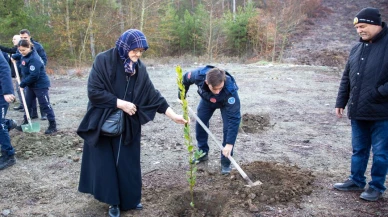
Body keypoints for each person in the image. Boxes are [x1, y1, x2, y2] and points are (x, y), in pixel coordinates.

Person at [76, 29, 187, 217]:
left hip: (128, 124)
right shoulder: (104, 60)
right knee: (107, 164)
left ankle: (130, 200)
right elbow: (94, 91)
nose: (137, 54)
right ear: (125, 46)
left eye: (141, 51)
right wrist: (121, 104)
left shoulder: (139, 69)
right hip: (104, 121)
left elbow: (153, 95)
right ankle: (113, 203)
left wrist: (172, 115)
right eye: (134, 50)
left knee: (128, 163)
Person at [333, 7, 388, 202]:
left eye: (363, 26)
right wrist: (341, 101)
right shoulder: (356, 48)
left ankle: (376, 186)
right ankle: (356, 180)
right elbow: (346, 77)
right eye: (357, 28)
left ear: (375, 24)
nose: (359, 31)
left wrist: (378, 93)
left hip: (382, 112)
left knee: (381, 153)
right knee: (359, 149)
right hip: (358, 110)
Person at [180, 65, 241, 175]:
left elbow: (234, 119)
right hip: (207, 101)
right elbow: (184, 79)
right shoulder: (198, 75)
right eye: (215, 89)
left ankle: (226, 162)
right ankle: (202, 153)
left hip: (225, 103)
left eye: (220, 88)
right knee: (200, 122)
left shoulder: (230, 91)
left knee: (228, 129)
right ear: (207, 83)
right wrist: (181, 96)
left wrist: (229, 144)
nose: (217, 91)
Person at [12, 40, 57, 134]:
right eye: (20, 50)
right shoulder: (25, 55)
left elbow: (34, 75)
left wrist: (22, 83)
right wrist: (14, 56)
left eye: (23, 50)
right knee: (27, 103)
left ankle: (52, 125)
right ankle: (26, 122)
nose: (21, 52)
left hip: (40, 85)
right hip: (31, 85)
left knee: (45, 104)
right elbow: (21, 56)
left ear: (29, 47)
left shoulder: (34, 59)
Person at [12, 29, 47, 120]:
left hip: (37, 73)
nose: (24, 39)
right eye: (22, 37)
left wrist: (41, 68)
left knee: (41, 95)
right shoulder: (20, 47)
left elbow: (43, 58)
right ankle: (33, 113)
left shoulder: (37, 46)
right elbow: (19, 58)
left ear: (29, 37)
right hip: (26, 74)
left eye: (25, 37)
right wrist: (18, 74)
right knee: (29, 96)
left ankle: (44, 114)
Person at [0, 50, 17, 170]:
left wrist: (7, 91)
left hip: (1, 94)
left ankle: (9, 154)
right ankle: (8, 123)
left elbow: (4, 68)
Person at [0, 35, 23, 110]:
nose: (13, 40)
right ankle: (22, 104)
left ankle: (31, 109)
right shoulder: (16, 49)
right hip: (18, 73)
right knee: (19, 89)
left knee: (25, 91)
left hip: (25, 74)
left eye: (15, 39)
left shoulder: (23, 48)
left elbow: (5, 69)